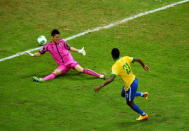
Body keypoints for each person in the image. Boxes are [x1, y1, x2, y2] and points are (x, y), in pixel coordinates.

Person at [94, 48, 150, 120]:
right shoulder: (125, 58)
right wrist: (144, 66)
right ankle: (143, 94)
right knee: (123, 94)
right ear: (119, 53)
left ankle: (144, 115)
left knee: (129, 102)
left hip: (131, 85)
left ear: (112, 56)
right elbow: (138, 59)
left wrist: (101, 86)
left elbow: (111, 79)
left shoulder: (115, 66)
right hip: (134, 80)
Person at [32, 29, 105, 82]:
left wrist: (79, 50)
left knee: (80, 70)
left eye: (59, 37)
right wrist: (34, 55)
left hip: (70, 61)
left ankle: (99, 75)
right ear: (52, 37)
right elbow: (40, 53)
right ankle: (41, 79)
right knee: (55, 73)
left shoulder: (62, 42)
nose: (58, 39)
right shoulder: (48, 46)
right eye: (56, 37)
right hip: (62, 65)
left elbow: (69, 48)